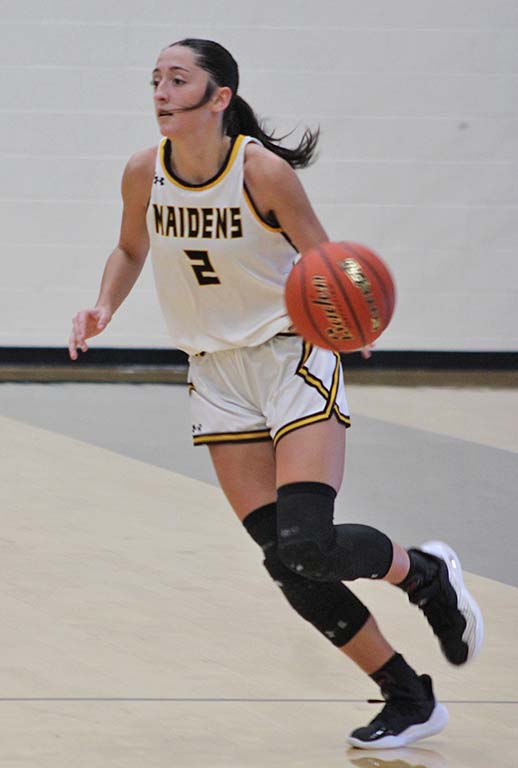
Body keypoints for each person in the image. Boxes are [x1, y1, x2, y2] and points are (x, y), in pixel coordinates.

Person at [69, 38, 483, 750]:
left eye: (178, 79)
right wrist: (102, 304)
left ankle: (425, 570)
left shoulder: (261, 171)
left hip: (290, 357)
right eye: (156, 81)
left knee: (310, 544)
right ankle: (408, 696)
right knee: (286, 561)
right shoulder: (144, 173)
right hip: (215, 375)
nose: (161, 92)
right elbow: (132, 248)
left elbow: (324, 259)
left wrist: (355, 318)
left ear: (219, 97)